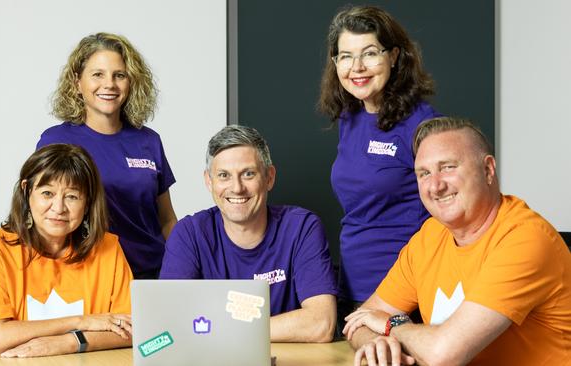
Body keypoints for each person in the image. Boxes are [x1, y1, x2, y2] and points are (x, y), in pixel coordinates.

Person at [343, 117, 571, 365]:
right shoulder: (429, 236)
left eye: (448, 167)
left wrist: (393, 326)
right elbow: (359, 321)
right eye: (424, 173)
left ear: (488, 170)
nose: (435, 185)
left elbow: (444, 355)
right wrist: (377, 343)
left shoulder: (525, 239)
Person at [317, 5, 440, 328]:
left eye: (370, 53)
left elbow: (445, 216)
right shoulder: (351, 116)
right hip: (352, 289)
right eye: (345, 56)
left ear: (395, 56)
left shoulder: (421, 124)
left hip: (403, 297)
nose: (356, 67)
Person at [160, 125, 337, 343]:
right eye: (224, 175)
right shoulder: (188, 234)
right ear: (209, 181)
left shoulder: (301, 228)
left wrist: (217, 330)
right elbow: (170, 323)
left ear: (269, 177)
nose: (237, 188)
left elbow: (321, 324)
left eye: (248, 174)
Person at [0, 144, 134, 357]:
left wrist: (69, 342)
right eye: (47, 193)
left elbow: (131, 330)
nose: (58, 208)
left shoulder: (108, 249)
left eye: (72, 196)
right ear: (26, 191)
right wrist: (81, 322)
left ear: (87, 202)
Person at [37, 32, 176, 279]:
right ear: (77, 82)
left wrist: (179, 268)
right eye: (97, 74)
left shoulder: (148, 140)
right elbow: (44, 215)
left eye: (119, 75)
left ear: (131, 82)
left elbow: (166, 219)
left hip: (150, 274)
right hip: (90, 276)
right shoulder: (55, 141)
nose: (109, 84)